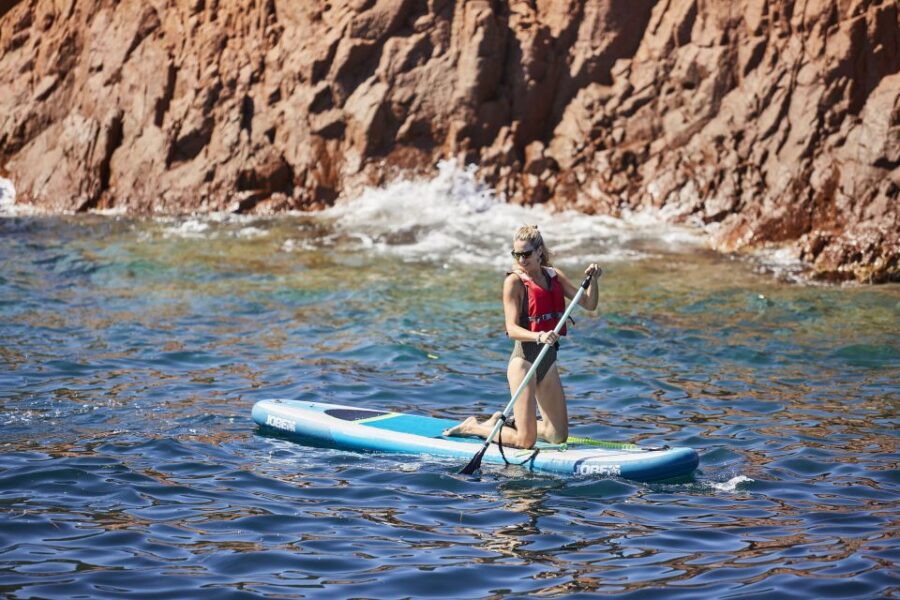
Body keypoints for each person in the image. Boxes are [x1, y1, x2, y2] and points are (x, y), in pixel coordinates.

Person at [443, 224, 601, 449]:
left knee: (558, 436)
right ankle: (473, 427)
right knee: (525, 441)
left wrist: (593, 280)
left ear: (539, 252)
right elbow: (511, 329)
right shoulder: (514, 282)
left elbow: (589, 303)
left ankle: (506, 422)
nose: (521, 260)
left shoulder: (554, 276)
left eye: (526, 254)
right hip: (524, 362)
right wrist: (538, 336)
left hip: (547, 361)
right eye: (516, 254)